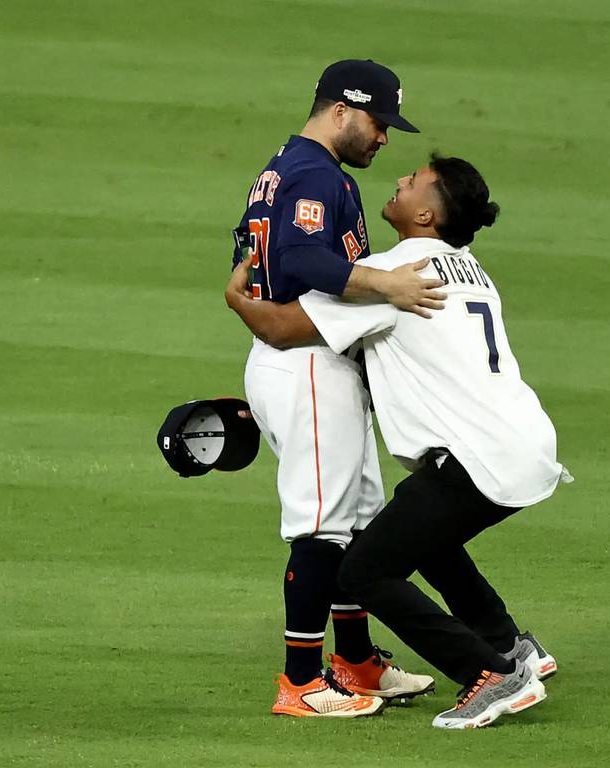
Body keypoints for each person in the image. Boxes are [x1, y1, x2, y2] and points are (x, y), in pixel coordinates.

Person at [225, 154, 572, 729]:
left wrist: (238, 297)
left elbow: (279, 328)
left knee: (362, 572)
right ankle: (513, 647)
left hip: (476, 457)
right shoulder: (469, 267)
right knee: (422, 540)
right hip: (525, 445)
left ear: (428, 213)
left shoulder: (393, 277)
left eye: (414, 182)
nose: (401, 181)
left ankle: (488, 675)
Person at [230, 59, 438, 718]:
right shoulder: (316, 172)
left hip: (312, 360)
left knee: (355, 522)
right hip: (305, 361)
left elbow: (248, 252)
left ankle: (356, 662)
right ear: (341, 110)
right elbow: (299, 260)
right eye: (379, 123)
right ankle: (299, 681)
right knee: (322, 524)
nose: (384, 138)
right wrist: (387, 285)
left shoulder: (287, 167)